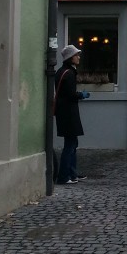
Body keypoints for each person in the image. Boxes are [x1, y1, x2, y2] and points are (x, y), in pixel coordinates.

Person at [54, 44, 89, 185]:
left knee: (72, 143)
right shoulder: (68, 74)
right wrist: (81, 95)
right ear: (70, 58)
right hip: (68, 113)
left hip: (66, 112)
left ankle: (72, 174)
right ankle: (64, 176)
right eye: (76, 55)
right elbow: (70, 95)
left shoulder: (64, 72)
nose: (78, 57)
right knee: (70, 144)